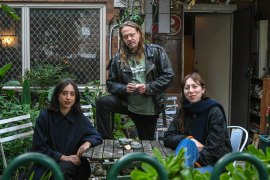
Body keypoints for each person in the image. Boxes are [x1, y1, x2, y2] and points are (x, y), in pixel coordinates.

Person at [96, 21, 174, 140]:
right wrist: (125, 88)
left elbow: (168, 75)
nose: (129, 38)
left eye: (132, 35)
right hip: (127, 103)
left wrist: (148, 87)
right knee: (103, 102)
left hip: (148, 109)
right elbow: (111, 84)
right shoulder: (118, 58)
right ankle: (105, 141)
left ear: (139, 34)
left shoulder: (156, 52)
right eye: (125, 36)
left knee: (146, 144)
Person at [29, 79, 103, 180]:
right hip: (48, 165)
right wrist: (63, 157)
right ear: (57, 95)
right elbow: (38, 148)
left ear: (76, 97)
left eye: (72, 94)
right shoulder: (44, 117)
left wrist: (87, 143)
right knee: (63, 170)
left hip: (75, 164)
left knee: (73, 168)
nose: (68, 98)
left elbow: (96, 136)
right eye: (64, 93)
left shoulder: (79, 117)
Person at [163, 73, 232, 173]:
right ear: (183, 91)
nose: (191, 91)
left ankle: (182, 173)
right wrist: (189, 139)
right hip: (190, 160)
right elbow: (168, 138)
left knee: (178, 174)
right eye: (187, 88)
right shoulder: (182, 111)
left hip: (215, 163)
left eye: (195, 86)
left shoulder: (214, 111)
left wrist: (196, 163)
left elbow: (215, 148)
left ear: (203, 90)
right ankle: (183, 173)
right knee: (188, 143)